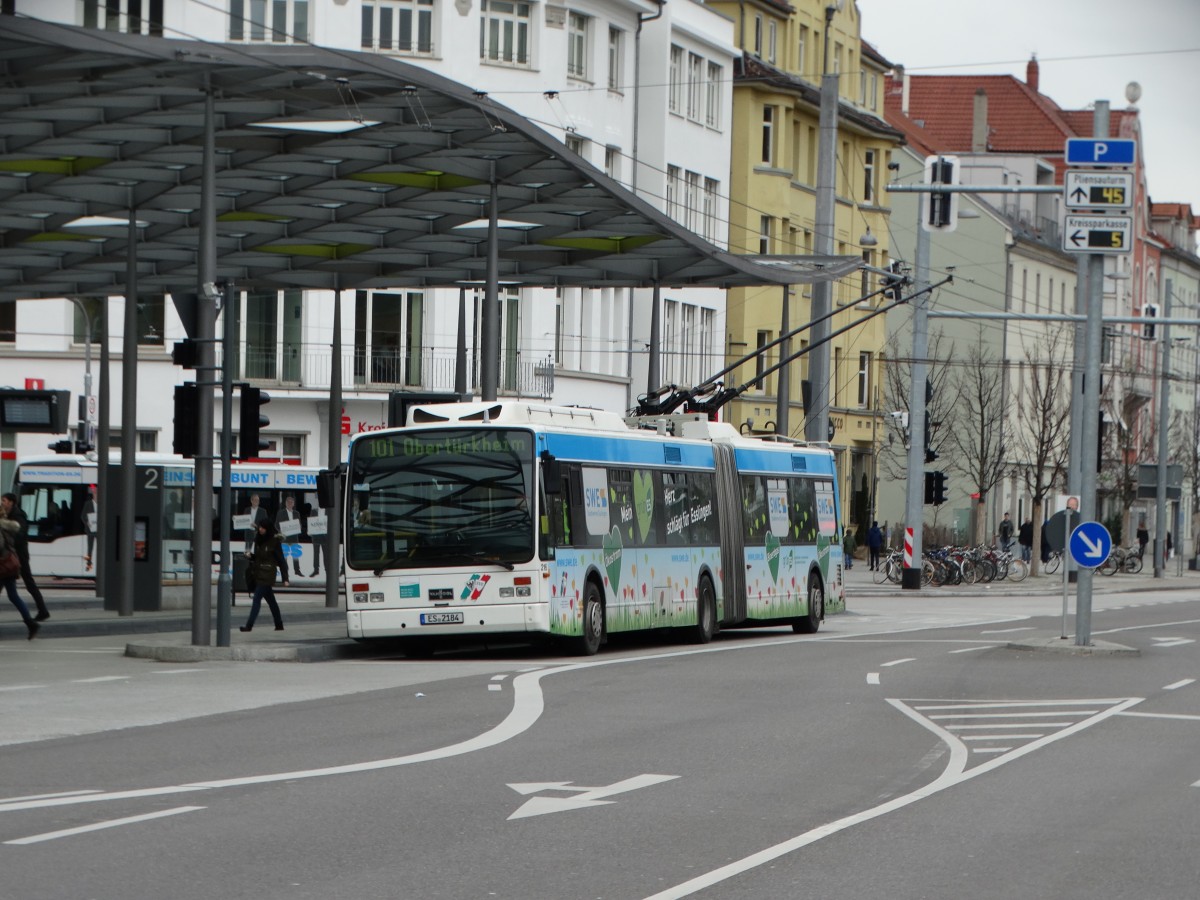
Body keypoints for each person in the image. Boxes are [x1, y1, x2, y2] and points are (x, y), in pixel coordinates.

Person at [1, 493, 49, 621]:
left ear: (11, 502)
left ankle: (42, 611)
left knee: (28, 582)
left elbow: (21, 534)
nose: (2, 502)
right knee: (21, 584)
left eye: (4, 500)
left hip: (19, 555)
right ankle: (42, 611)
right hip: (12, 555)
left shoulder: (18, 515)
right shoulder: (9, 515)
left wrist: (10, 541)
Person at [0, 502, 39, 639]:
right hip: (9, 565)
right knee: (13, 595)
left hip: (2, 566)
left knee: (13, 595)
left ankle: (31, 623)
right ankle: (30, 622)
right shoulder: (10, 526)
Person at [240, 520, 285, 633]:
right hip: (259, 573)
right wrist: (251, 556)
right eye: (260, 527)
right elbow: (260, 558)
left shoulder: (274, 542)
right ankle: (279, 624)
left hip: (267, 575)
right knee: (271, 601)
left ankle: (249, 626)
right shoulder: (259, 540)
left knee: (256, 599)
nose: (260, 529)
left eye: (263, 528)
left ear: (267, 529)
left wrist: (286, 578)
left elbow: (281, 560)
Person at [275, 494, 302, 581]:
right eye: (288, 502)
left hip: (294, 538)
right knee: (285, 557)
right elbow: (276, 524)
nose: (290, 504)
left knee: (295, 556)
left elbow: (299, 524)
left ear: (293, 504)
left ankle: (297, 571)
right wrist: (281, 531)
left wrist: (299, 527)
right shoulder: (280, 513)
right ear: (285, 503)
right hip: (285, 538)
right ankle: (285, 572)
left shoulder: (297, 513)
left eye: (291, 502)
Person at [82, 488, 97, 571]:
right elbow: (83, 516)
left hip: (99, 530)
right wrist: (87, 523)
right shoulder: (88, 504)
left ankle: (100, 563)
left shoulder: (102, 503)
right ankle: (89, 564)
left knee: (101, 548)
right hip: (90, 530)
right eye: (95, 493)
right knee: (90, 548)